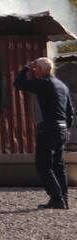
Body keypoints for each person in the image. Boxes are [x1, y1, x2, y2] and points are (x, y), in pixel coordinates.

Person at [14, 57, 74, 210]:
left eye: (36, 68)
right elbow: (70, 112)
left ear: (40, 70)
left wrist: (26, 67)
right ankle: (64, 199)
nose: (34, 71)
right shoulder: (62, 86)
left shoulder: (44, 83)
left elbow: (18, 83)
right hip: (62, 129)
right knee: (58, 165)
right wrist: (67, 128)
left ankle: (57, 198)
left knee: (43, 165)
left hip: (48, 129)